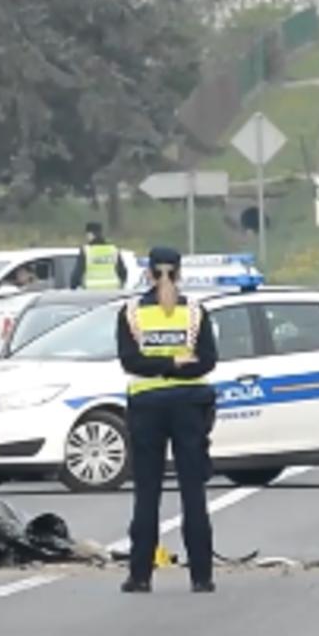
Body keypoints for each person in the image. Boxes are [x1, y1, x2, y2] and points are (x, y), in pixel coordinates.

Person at [116, 246, 218, 594]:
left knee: (147, 493)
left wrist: (160, 367)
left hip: (147, 406)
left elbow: (130, 361)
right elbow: (208, 361)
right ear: (179, 272)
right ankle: (202, 577)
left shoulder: (130, 313)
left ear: (148, 273)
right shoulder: (194, 312)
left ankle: (140, 575)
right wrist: (179, 366)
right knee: (193, 492)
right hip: (190, 407)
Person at [71, 221, 127, 290]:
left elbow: (77, 274)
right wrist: (121, 286)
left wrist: (73, 287)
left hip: (92, 292)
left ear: (90, 234)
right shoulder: (113, 250)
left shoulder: (86, 251)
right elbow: (123, 272)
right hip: (112, 292)